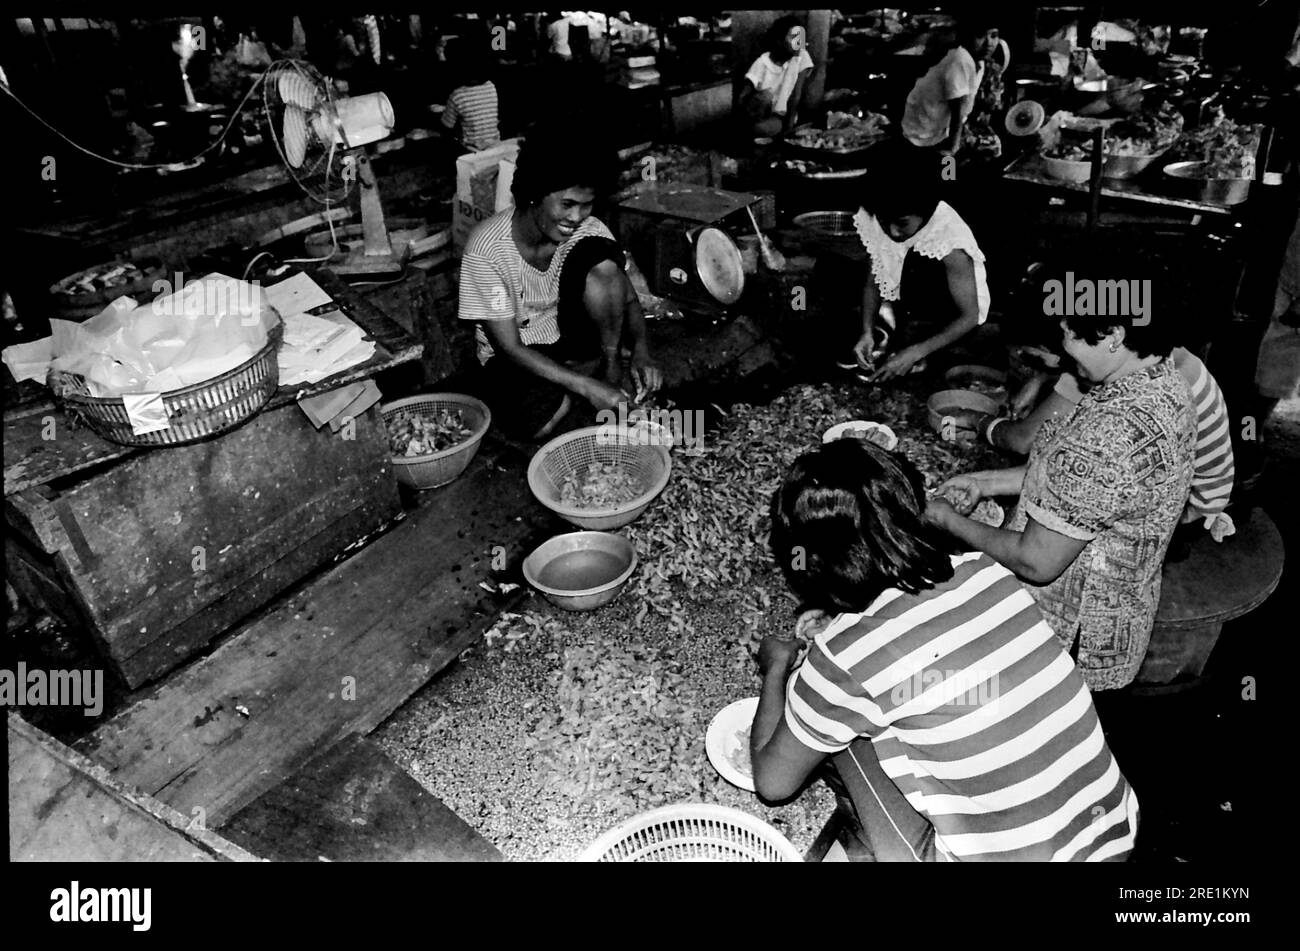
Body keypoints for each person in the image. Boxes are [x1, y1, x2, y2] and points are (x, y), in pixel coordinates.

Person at [751, 439, 1139, 861]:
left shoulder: (844, 654)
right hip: (1112, 835)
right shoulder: (984, 570)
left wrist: (776, 668)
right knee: (924, 704)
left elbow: (773, 785)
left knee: (844, 738)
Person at [926, 259, 1196, 692]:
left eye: (1070, 332)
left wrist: (947, 519)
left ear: (1113, 336)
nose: (1063, 345)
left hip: (1068, 637)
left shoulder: (1108, 433)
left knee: (1026, 729)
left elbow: (1036, 561)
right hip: (1121, 614)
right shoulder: (1162, 381)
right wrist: (987, 483)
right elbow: (1079, 484)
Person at [457, 121, 663, 441]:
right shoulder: (487, 249)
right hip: (516, 354)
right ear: (534, 194)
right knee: (537, 419)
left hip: (568, 339)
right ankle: (580, 382)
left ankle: (607, 364)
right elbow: (508, 346)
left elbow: (628, 298)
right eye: (567, 204)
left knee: (602, 263)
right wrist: (586, 386)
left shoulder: (588, 230)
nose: (577, 217)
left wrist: (641, 350)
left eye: (586, 204)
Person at [988, 345, 1235, 541]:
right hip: (1205, 488)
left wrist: (979, 421)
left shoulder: (1112, 389)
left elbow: (1020, 441)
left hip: (1188, 511)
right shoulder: (1149, 353)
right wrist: (1040, 379)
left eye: (1033, 358)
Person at [841, 144, 990, 381]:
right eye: (883, 220)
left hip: (951, 316)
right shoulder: (884, 215)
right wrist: (866, 332)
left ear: (926, 212)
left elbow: (970, 316)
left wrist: (917, 351)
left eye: (901, 223)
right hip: (909, 302)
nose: (892, 232)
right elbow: (872, 282)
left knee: (937, 367)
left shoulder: (951, 242)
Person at [901, 16, 999, 154]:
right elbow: (957, 111)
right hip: (923, 134)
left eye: (994, 36)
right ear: (967, 37)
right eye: (980, 36)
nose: (989, 43)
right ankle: (949, 172)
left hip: (942, 128)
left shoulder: (980, 62)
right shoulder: (959, 59)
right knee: (951, 169)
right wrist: (952, 149)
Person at [738, 16, 814, 137]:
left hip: (782, 116)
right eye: (794, 38)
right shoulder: (762, 62)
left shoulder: (800, 57)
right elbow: (743, 98)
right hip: (759, 114)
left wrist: (788, 130)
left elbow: (796, 96)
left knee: (766, 129)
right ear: (779, 40)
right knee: (765, 97)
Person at [440, 38, 501, 152]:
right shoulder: (491, 87)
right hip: (495, 145)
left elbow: (446, 127)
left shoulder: (457, 95)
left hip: (471, 151)